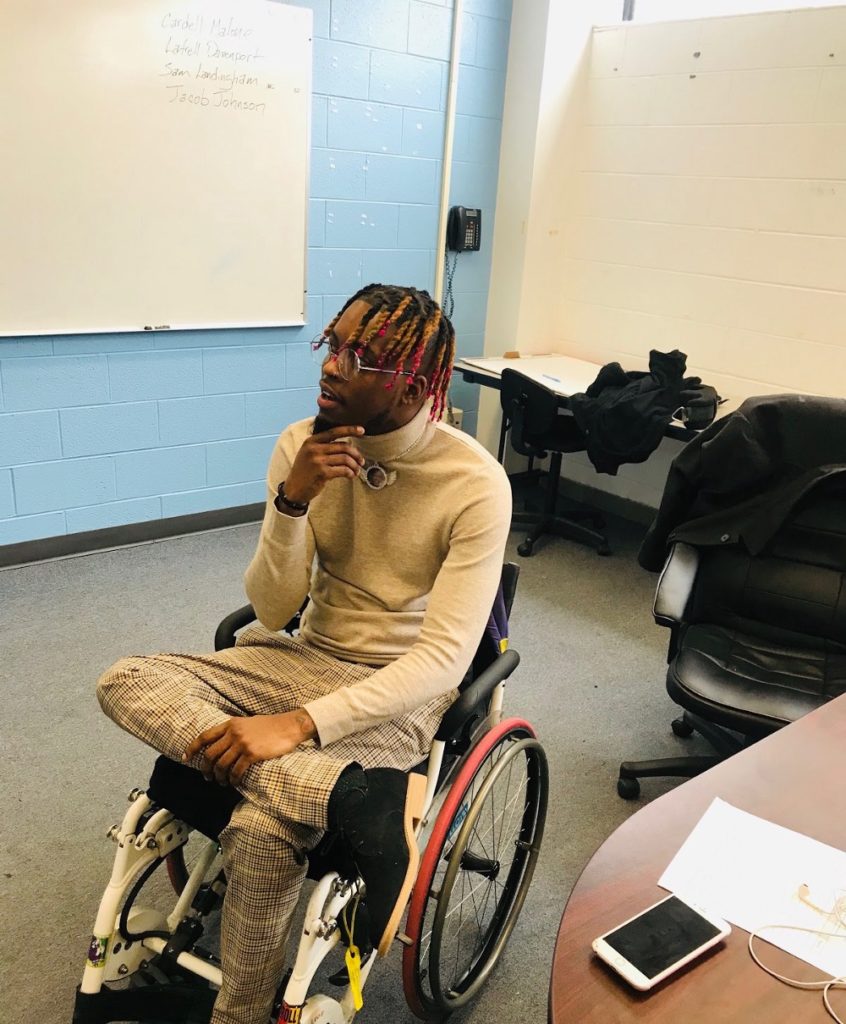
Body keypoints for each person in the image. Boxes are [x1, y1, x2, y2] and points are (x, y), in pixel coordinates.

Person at [96, 283, 512, 1024]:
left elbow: (443, 663)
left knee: (262, 831)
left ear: (412, 388)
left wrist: (297, 726)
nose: (332, 365)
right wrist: (293, 501)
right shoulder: (301, 445)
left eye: (362, 357)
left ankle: (239, 1012)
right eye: (335, 343)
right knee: (124, 678)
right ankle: (349, 797)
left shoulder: (475, 484)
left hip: (396, 690)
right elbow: (272, 610)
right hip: (300, 655)